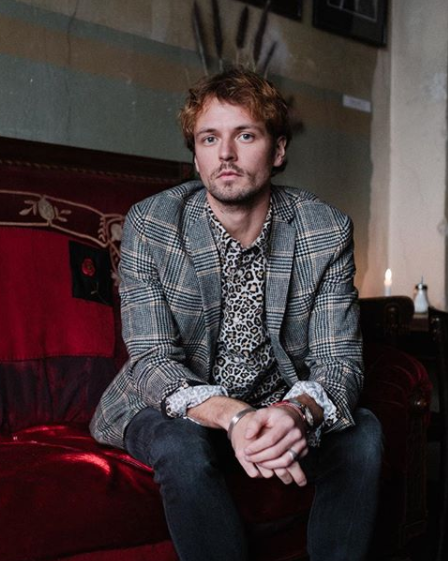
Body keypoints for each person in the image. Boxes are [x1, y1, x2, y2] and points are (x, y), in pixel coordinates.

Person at [90, 67, 382, 561]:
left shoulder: (325, 230)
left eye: (245, 135)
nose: (225, 153)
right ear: (197, 157)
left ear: (278, 150)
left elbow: (339, 363)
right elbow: (152, 359)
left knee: (364, 433)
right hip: (175, 407)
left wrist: (295, 413)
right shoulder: (153, 223)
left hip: (273, 405)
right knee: (181, 445)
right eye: (210, 138)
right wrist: (235, 417)